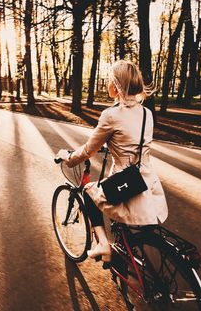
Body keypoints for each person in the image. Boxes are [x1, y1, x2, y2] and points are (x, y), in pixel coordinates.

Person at [56, 60, 168, 262]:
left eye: (110, 79)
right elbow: (134, 142)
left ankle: (103, 245)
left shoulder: (111, 115)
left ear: (116, 85)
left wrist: (69, 158)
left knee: (89, 192)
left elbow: (88, 150)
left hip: (124, 180)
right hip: (146, 179)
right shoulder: (146, 114)